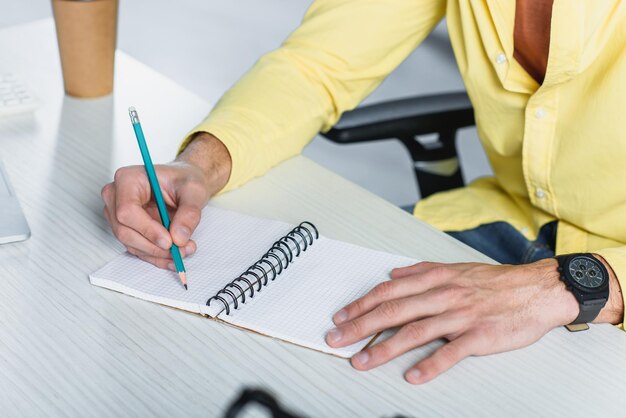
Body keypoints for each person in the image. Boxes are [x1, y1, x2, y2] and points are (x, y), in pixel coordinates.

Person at [101, 0, 626, 384]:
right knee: (255, 363)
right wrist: (201, 164)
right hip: (502, 221)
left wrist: (569, 286)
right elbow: (318, 65)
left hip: (609, 285)